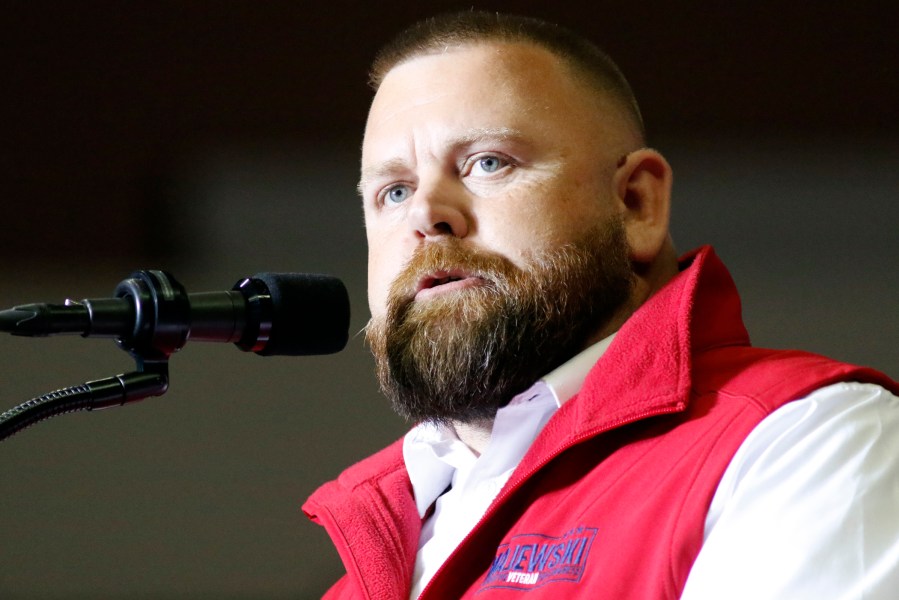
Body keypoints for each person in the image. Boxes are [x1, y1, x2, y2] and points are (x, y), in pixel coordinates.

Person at [303, 11, 899, 599]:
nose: (426, 214)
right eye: (394, 191)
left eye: (488, 162)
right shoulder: (370, 553)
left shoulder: (805, 443)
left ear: (635, 204)